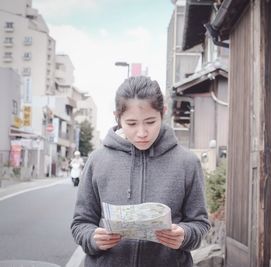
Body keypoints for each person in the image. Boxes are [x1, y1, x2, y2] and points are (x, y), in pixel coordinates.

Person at [71, 76, 210, 267]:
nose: (142, 132)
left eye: (150, 122)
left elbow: (200, 223)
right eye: (132, 123)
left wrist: (184, 235)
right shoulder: (97, 160)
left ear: (163, 112)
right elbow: (80, 223)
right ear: (117, 117)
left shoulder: (187, 162)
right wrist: (93, 238)